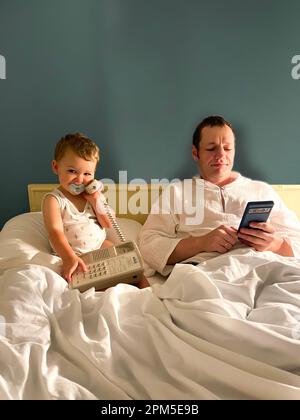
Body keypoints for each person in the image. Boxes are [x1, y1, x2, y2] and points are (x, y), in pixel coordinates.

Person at [138, 115, 300, 276]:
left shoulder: (262, 191)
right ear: (196, 153)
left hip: (262, 269)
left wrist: (275, 245)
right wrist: (201, 243)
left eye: (227, 148)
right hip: (205, 272)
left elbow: (297, 240)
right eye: (211, 148)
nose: (221, 155)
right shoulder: (176, 193)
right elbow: (148, 245)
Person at [42, 132, 113, 282]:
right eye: (72, 171)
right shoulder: (54, 200)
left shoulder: (94, 197)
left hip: (99, 247)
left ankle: (149, 293)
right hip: (72, 255)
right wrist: (69, 257)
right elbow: (55, 232)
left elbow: (108, 224)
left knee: (131, 264)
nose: (80, 180)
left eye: (87, 173)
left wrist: (95, 200)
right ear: (56, 167)